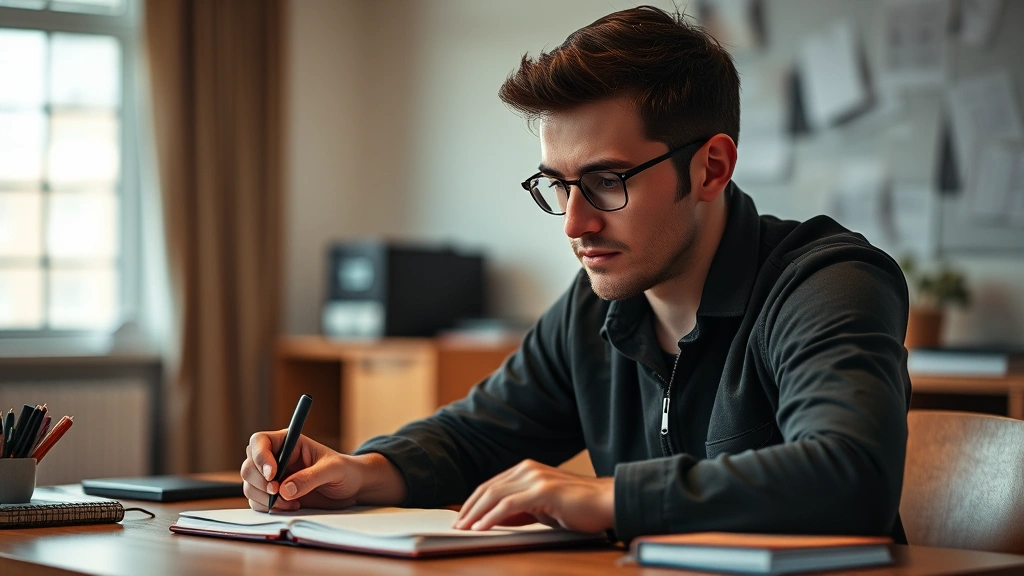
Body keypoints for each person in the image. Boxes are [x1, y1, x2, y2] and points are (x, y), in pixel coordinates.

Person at [241, 6, 910, 542]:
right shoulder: (595, 308)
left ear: (711, 167)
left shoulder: (827, 282)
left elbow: (851, 475)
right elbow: (475, 435)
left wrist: (613, 496)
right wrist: (361, 472)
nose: (574, 223)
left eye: (607, 180)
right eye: (557, 185)